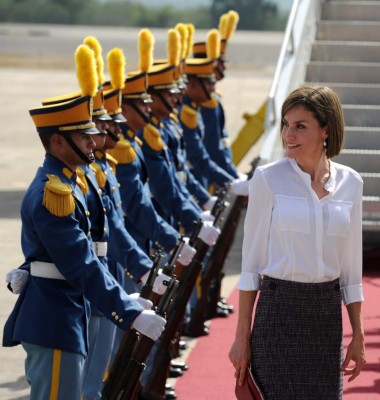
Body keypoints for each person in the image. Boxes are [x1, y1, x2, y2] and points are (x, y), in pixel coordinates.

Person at [2, 82, 167, 399]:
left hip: (68, 309)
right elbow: (80, 260)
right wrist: (128, 312)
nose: (95, 140)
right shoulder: (55, 193)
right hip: (55, 316)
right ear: (57, 140)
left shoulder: (70, 183)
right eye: (83, 136)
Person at [229, 86, 366, 399]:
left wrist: (357, 334)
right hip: (278, 315)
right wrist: (242, 337)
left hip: (326, 319)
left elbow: (351, 270)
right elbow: (250, 267)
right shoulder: (267, 179)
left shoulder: (351, 183)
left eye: (300, 126)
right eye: (286, 125)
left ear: (326, 129)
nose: (289, 134)